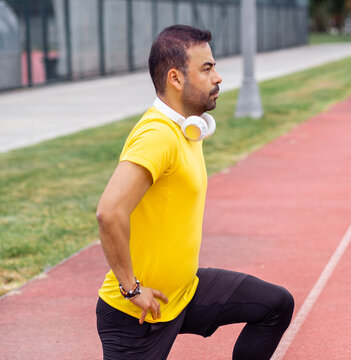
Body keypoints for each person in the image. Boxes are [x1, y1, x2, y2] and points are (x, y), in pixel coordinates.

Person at [95, 25, 294, 360]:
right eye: (207, 68)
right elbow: (109, 212)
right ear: (175, 79)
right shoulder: (158, 135)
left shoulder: (186, 129)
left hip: (184, 293)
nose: (218, 77)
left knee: (275, 304)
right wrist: (131, 289)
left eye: (214, 66)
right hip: (139, 315)